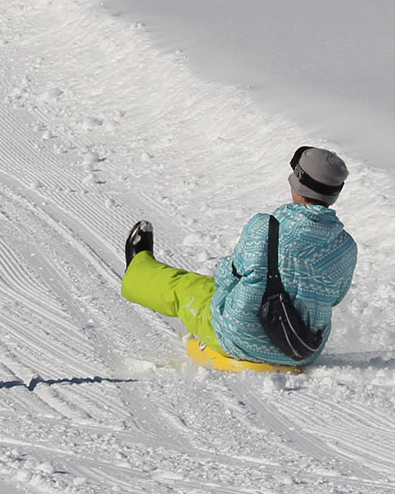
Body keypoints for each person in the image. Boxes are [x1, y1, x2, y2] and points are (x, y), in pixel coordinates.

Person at [119, 146, 358, 369]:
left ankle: (138, 268)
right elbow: (334, 297)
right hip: (302, 349)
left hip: (238, 337)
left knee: (188, 288)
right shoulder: (346, 247)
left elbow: (229, 277)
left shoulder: (264, 227)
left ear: (296, 183)